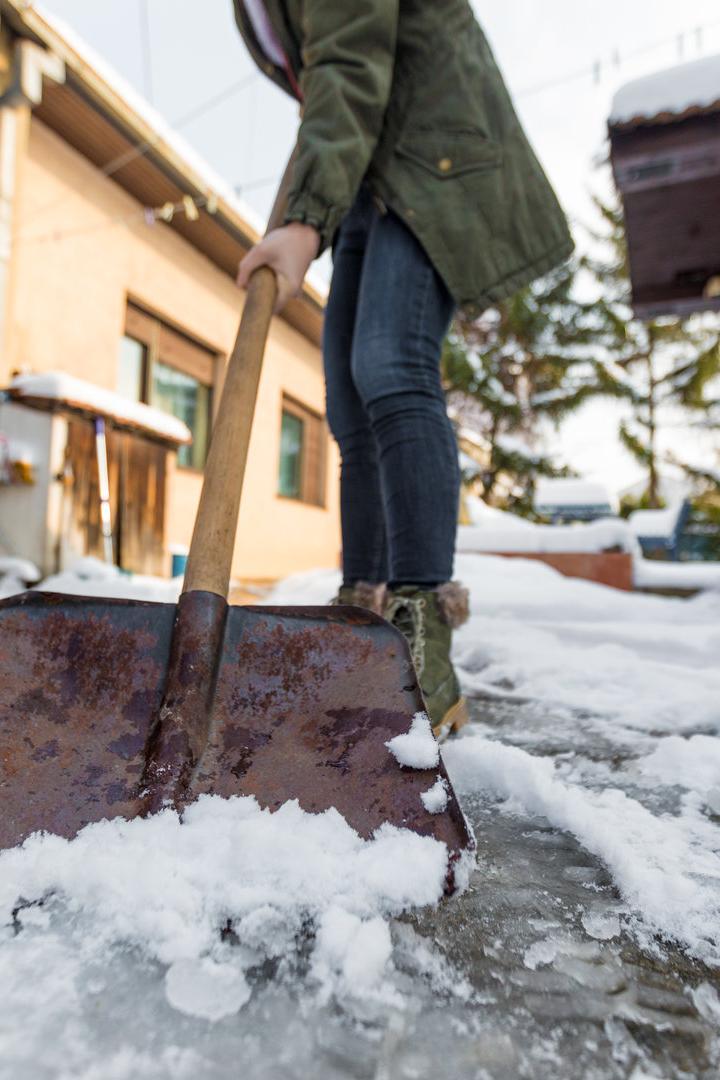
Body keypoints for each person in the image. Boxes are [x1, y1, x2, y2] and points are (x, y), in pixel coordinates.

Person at [234, 1, 573, 738]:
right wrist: (310, 201)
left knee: (391, 363)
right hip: (370, 173)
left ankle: (423, 635)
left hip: (434, 154)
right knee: (351, 404)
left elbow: (350, 62)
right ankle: (364, 612)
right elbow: (322, 80)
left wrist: (301, 222)